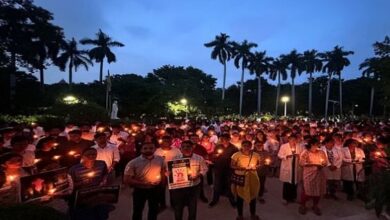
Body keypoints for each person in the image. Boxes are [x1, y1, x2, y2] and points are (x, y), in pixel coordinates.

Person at [124, 142, 166, 220]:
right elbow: (127, 179)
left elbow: (163, 171)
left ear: (155, 149)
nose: (148, 150)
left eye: (151, 148)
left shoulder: (160, 159)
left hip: (155, 189)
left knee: (153, 210)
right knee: (138, 210)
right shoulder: (133, 163)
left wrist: (162, 184)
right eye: (145, 148)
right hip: (140, 190)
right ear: (141, 150)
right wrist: (144, 184)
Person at [68, 147, 111, 220]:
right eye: (88, 155)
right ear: (82, 156)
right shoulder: (74, 169)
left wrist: (104, 181)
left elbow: (105, 175)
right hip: (83, 196)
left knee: (101, 215)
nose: (91, 156)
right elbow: (70, 186)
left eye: (94, 154)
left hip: (98, 194)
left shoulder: (101, 164)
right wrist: (82, 182)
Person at [170, 140, 208, 220]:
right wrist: (169, 174)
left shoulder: (199, 158)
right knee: (178, 207)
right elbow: (171, 171)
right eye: (183, 147)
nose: (186, 148)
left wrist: (198, 175)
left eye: (188, 146)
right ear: (180, 148)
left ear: (192, 148)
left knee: (192, 207)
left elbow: (204, 169)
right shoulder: (175, 158)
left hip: (194, 186)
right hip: (179, 188)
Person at [231, 140, 261, 220]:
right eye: (244, 146)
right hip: (241, 177)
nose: (246, 147)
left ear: (251, 146)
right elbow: (232, 165)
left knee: (252, 195)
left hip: (252, 177)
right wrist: (241, 168)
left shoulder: (256, 155)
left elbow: (259, 164)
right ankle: (240, 215)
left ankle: (253, 214)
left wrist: (256, 167)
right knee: (240, 197)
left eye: (248, 146)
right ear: (242, 146)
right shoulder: (236, 155)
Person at [299, 137, 327, 216]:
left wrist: (323, 164)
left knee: (318, 191)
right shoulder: (305, 152)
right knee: (307, 191)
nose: (317, 146)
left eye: (318, 144)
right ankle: (303, 205)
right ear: (311, 144)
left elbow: (325, 161)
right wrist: (313, 164)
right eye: (316, 144)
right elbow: (301, 163)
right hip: (309, 174)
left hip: (319, 174)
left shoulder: (321, 152)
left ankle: (315, 205)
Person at [209, 134, 238, 207]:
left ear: (229, 139)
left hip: (229, 169)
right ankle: (215, 199)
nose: (224, 141)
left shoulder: (234, 148)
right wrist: (215, 156)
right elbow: (213, 156)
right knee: (217, 184)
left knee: (229, 185)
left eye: (226, 139)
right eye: (222, 139)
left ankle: (232, 200)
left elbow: (236, 159)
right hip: (219, 168)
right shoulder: (218, 146)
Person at [154, 135, 182, 210]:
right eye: (165, 141)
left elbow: (180, 161)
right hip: (161, 173)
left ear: (171, 142)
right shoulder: (157, 151)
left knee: (173, 190)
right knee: (161, 190)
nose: (166, 142)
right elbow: (154, 162)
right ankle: (162, 204)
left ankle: (173, 204)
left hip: (173, 172)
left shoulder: (176, 151)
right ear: (162, 142)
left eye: (168, 141)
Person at [277, 134, 304, 205]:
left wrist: (299, 156)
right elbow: (279, 155)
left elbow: (303, 155)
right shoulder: (284, 146)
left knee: (295, 183)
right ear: (288, 139)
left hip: (296, 166)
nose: (293, 141)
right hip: (288, 166)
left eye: (294, 140)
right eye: (291, 139)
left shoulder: (299, 146)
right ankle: (285, 198)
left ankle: (293, 197)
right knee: (287, 183)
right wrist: (286, 156)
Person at [321, 136, 343, 200]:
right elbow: (322, 158)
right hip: (326, 167)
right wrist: (329, 165)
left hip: (336, 167)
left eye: (333, 143)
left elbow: (340, 158)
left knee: (334, 181)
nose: (332, 144)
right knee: (327, 180)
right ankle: (326, 193)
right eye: (330, 143)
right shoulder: (321, 150)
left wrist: (336, 165)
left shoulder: (337, 149)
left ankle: (333, 193)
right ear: (326, 143)